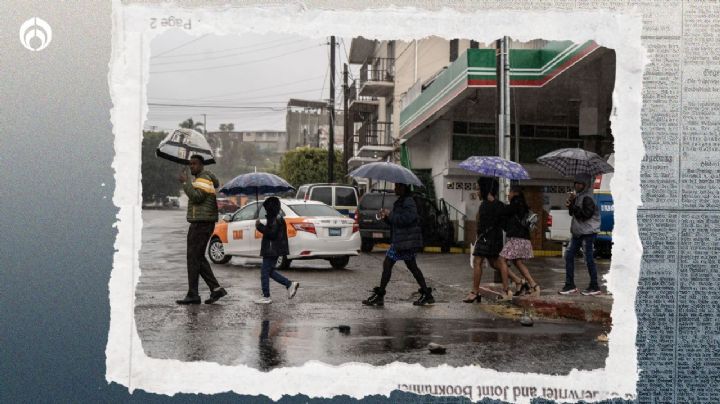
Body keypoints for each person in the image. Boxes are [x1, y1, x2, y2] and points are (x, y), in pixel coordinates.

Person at [362, 183, 434, 306]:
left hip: (404, 241)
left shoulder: (408, 201)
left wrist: (390, 214)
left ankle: (380, 295)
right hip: (403, 240)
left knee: (388, 264)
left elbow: (406, 219)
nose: (395, 189)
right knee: (411, 267)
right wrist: (385, 217)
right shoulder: (402, 200)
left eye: (397, 187)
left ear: (404, 188)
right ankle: (427, 294)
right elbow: (395, 222)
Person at [176, 155, 228, 305]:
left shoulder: (203, 178)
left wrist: (185, 183)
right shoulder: (200, 178)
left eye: (195, 164)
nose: (192, 166)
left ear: (201, 165)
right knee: (196, 258)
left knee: (193, 257)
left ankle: (194, 294)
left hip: (201, 223)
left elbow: (197, 197)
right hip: (201, 223)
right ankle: (215, 289)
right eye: (190, 164)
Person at [465, 178, 523, 303]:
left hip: (487, 238)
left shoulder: (492, 205)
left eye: (479, 188)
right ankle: (517, 281)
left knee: (477, 261)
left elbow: (499, 222)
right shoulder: (490, 204)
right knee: (494, 264)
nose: (477, 192)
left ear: (486, 189)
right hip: (492, 238)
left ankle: (475, 292)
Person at [559, 173, 601, 295]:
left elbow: (585, 215)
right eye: (576, 183)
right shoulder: (578, 196)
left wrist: (575, 207)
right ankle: (569, 285)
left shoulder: (588, 197)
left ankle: (594, 286)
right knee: (569, 256)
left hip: (588, 232)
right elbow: (572, 214)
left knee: (588, 259)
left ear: (585, 185)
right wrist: (571, 204)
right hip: (578, 232)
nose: (577, 186)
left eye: (580, 184)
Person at [496, 185, 541, 297]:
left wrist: (496, 203)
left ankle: (506, 290)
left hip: (517, 239)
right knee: (517, 262)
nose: (508, 195)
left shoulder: (516, 203)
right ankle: (533, 286)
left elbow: (503, 211)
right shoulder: (522, 205)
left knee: (501, 260)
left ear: (514, 193)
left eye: (509, 192)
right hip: (523, 239)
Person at [254, 197, 299, 304]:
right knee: (269, 272)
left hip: (271, 249)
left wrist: (259, 226)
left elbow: (272, 234)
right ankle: (289, 284)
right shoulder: (276, 217)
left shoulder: (274, 218)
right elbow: (272, 231)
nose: (265, 210)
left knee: (264, 272)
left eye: (266, 208)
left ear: (270, 208)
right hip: (273, 249)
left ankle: (266, 296)